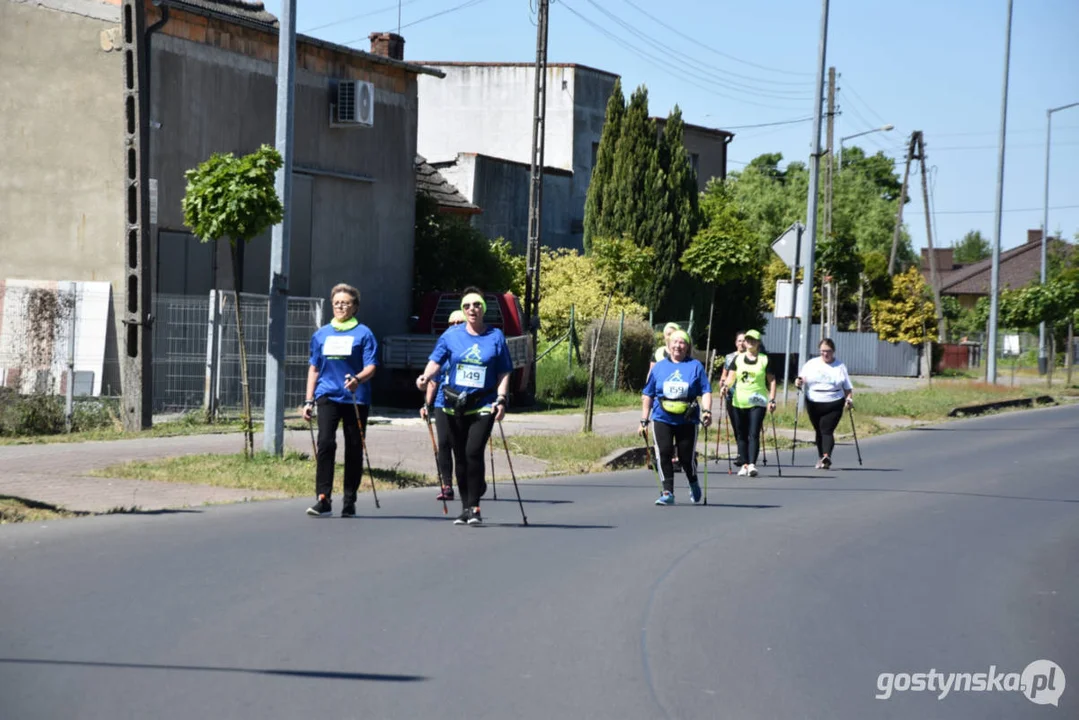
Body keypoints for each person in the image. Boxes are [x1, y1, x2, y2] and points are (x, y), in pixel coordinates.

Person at [415, 288, 513, 526]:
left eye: (477, 305)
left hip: (483, 403)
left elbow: (504, 370)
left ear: (483, 309)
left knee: (473, 452)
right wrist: (425, 378)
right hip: (453, 404)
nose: (472, 309)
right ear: (462, 309)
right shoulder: (451, 336)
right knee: (460, 456)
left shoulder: (495, 336)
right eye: (467, 305)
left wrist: (501, 398)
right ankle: (465, 507)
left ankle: (476, 507)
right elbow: (435, 361)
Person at [302, 283, 379, 518]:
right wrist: (308, 400)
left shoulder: (364, 333)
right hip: (327, 395)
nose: (340, 306)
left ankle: (349, 499)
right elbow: (314, 368)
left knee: (354, 448)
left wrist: (358, 379)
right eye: (336, 303)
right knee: (326, 443)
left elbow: (371, 367)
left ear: (354, 307)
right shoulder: (322, 334)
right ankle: (323, 498)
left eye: (345, 303)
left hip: (355, 398)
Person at [639, 329, 712, 505]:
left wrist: (707, 411)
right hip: (661, 417)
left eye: (682, 342)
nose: (678, 346)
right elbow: (647, 394)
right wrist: (644, 420)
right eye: (675, 342)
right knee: (663, 453)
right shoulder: (659, 367)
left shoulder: (695, 366)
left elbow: (706, 390)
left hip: (687, 419)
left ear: (687, 347)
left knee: (686, 458)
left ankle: (693, 481)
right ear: (668, 345)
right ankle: (667, 492)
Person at [421, 309, 465, 501]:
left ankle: (472, 480)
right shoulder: (444, 348)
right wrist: (426, 404)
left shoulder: (469, 347)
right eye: (451, 323)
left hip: (465, 403)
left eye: (459, 322)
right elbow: (433, 380)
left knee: (463, 446)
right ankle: (447, 485)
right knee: (444, 444)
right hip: (442, 402)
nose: (455, 326)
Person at [722, 329, 776, 477]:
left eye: (753, 340)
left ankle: (752, 464)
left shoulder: (765, 359)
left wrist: (772, 399)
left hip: (757, 401)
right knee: (741, 434)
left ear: (758, 343)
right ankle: (744, 464)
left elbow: (771, 380)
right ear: (744, 342)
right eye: (748, 340)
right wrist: (725, 386)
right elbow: (731, 377)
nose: (750, 342)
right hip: (739, 401)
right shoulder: (738, 359)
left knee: (753, 433)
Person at [795, 338, 853, 469]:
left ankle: (827, 456)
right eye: (822, 351)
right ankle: (821, 457)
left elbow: (848, 387)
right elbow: (802, 378)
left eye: (828, 351)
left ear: (833, 351)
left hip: (834, 402)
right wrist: (798, 381)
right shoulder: (811, 364)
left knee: (827, 430)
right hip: (814, 402)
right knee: (818, 430)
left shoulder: (840, 366)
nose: (825, 354)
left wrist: (849, 399)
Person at [718, 331, 747, 466]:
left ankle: (745, 453)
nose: (741, 343)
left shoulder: (751, 357)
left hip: (747, 396)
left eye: (744, 340)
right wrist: (722, 384)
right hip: (732, 395)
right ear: (736, 343)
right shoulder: (729, 357)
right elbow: (724, 375)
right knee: (736, 425)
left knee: (745, 426)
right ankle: (741, 452)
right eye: (739, 341)